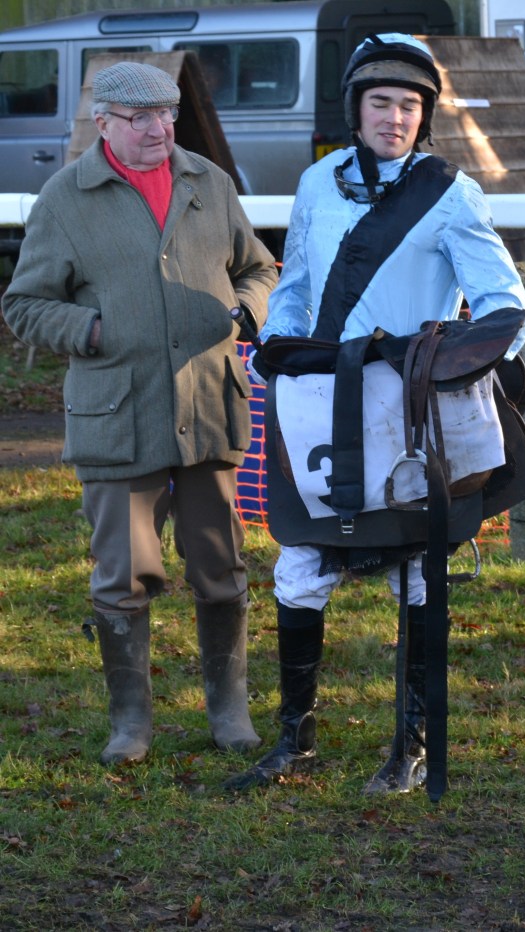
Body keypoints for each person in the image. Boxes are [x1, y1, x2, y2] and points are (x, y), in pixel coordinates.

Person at [225, 33, 525, 796]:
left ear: (423, 117)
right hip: (322, 400)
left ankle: (412, 744)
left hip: (408, 406)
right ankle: (297, 737)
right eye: (381, 102)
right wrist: (280, 349)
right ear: (356, 108)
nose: (394, 117)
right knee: (299, 561)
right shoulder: (318, 183)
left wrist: (451, 361)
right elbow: (294, 284)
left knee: (417, 575)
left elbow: (505, 308)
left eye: (408, 106)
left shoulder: (451, 192)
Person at [2, 62, 278, 764]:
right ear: (106, 124)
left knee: (221, 566)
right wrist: (93, 332)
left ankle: (229, 713)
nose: (161, 129)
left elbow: (261, 268)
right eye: (142, 118)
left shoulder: (207, 184)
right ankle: (132, 725)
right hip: (117, 417)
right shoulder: (67, 197)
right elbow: (24, 305)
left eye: (169, 115)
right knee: (123, 575)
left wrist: (245, 313)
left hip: (209, 408)